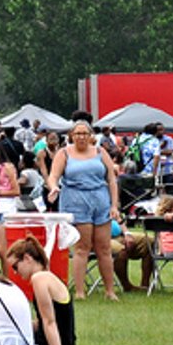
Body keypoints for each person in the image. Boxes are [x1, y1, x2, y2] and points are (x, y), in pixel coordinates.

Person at [47, 121, 121, 302]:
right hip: (76, 202)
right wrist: (54, 188)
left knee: (104, 248)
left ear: (90, 136)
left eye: (84, 133)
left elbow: (111, 179)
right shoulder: (64, 153)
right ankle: (79, 291)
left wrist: (114, 205)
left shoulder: (100, 152)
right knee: (82, 248)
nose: (81, 137)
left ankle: (110, 291)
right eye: (77, 133)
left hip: (100, 201)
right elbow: (53, 176)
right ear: (71, 135)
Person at [6, 236, 74, 345]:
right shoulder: (49, 277)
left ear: (27, 258)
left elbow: (50, 322)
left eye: (15, 267)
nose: (15, 272)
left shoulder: (39, 279)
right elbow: (49, 320)